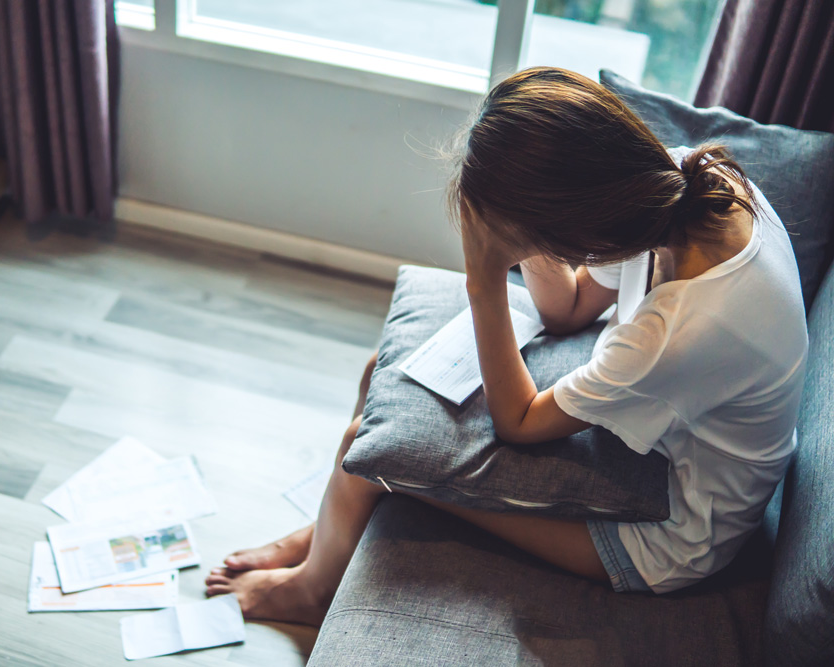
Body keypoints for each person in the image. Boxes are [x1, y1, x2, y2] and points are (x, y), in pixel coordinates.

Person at [204, 67, 808, 622]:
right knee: (379, 374)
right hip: (659, 436)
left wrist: (485, 275)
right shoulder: (680, 185)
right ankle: (324, 528)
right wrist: (528, 233)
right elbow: (568, 310)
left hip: (671, 532)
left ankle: (312, 588)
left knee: (365, 452)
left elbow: (517, 422)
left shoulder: (678, 330)